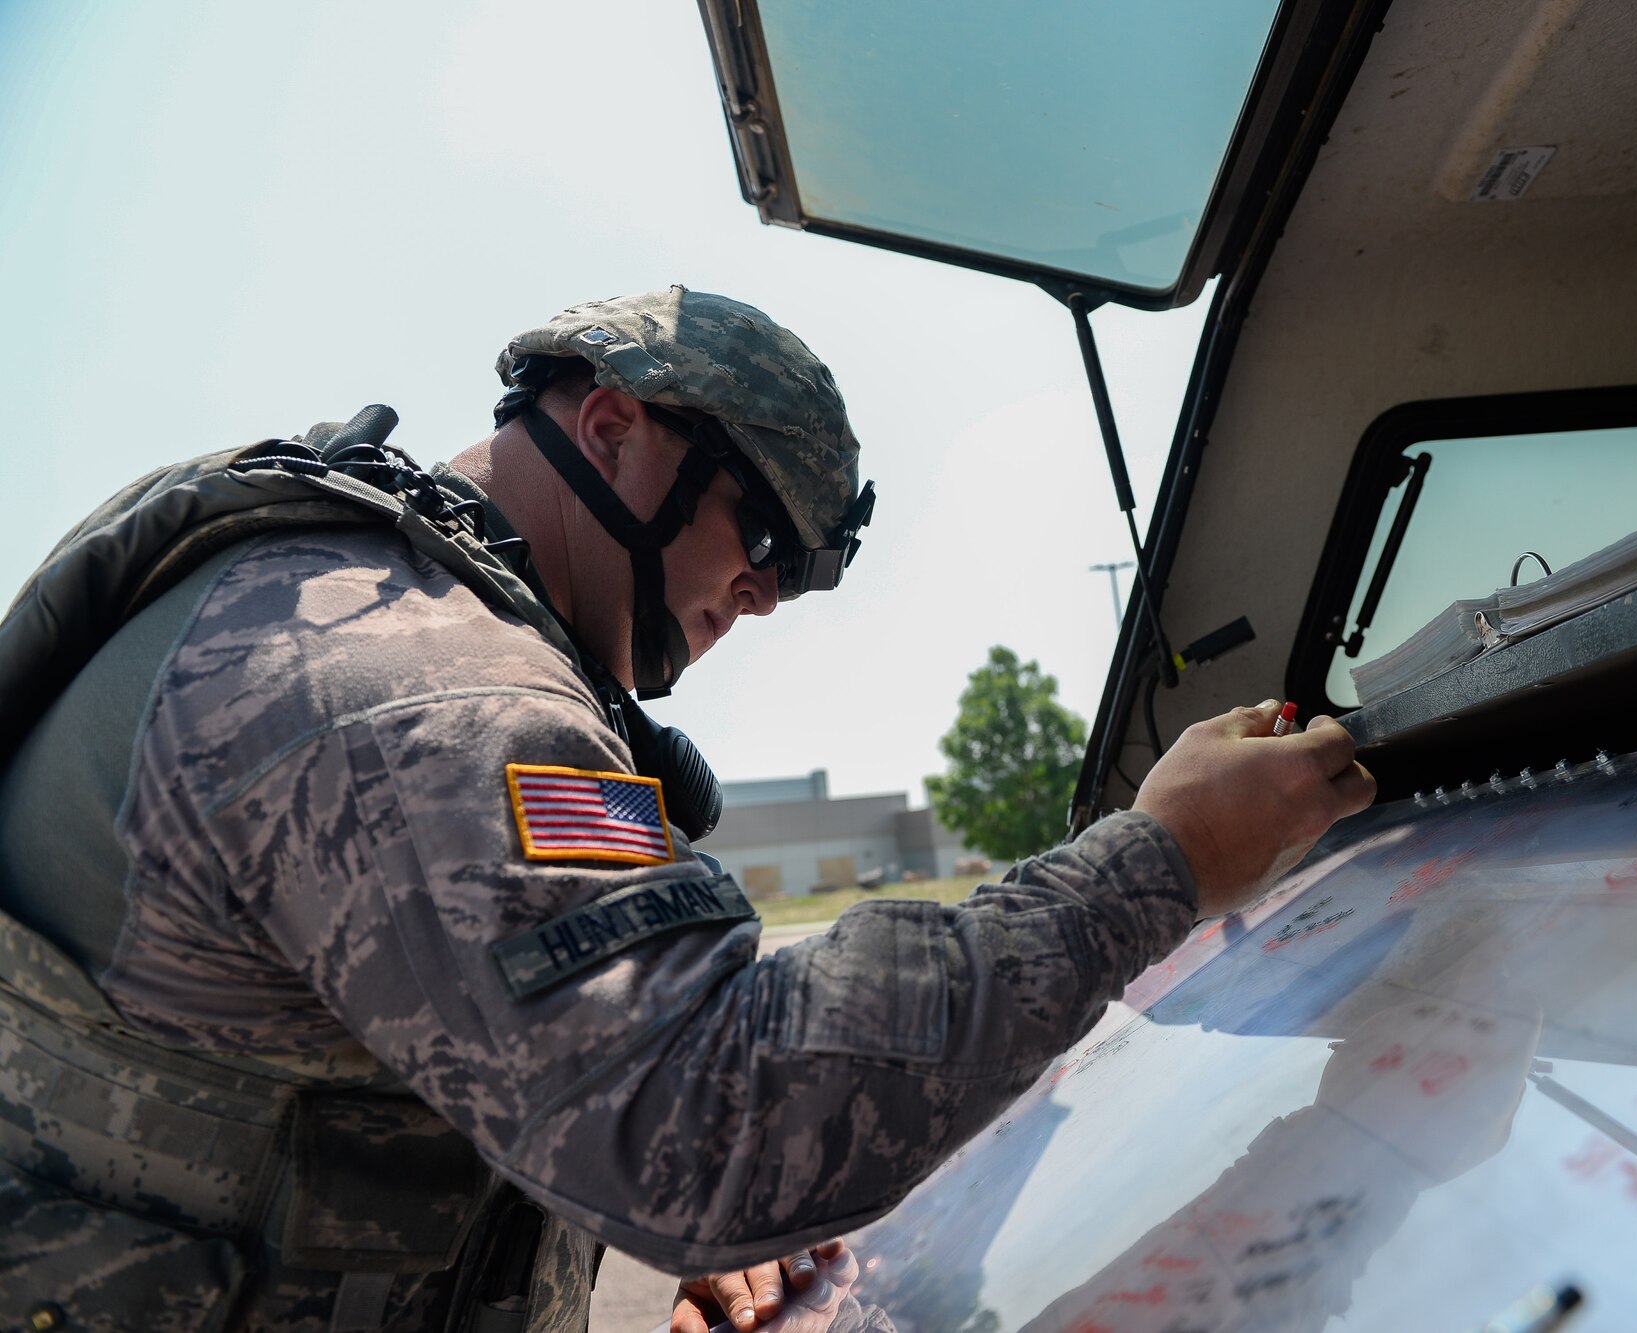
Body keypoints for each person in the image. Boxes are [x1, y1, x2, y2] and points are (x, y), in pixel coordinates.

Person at [0, 287, 1376, 1333]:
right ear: (611, 426)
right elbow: (714, 1120)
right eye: (766, 538)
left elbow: (462, 1051)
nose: (768, 594)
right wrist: (1161, 861)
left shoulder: (344, 607)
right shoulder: (414, 696)